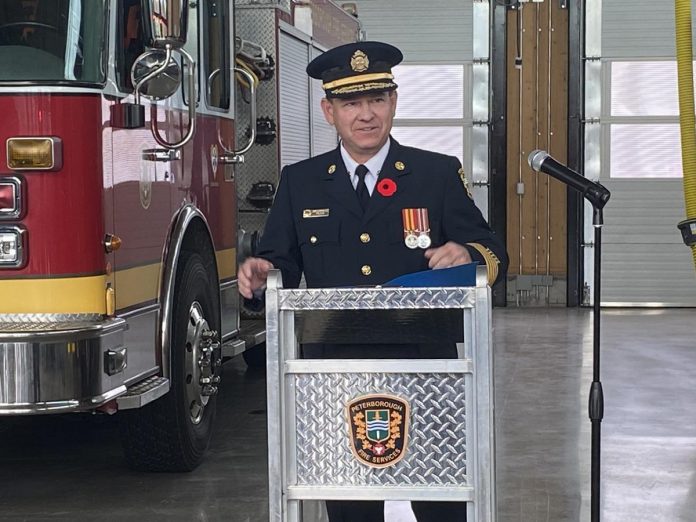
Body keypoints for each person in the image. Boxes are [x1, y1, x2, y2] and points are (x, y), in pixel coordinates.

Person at [239, 41, 508, 522]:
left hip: (428, 367)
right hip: (335, 370)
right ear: (329, 111)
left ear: (394, 103)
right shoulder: (300, 182)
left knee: (441, 501)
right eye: (351, 103)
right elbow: (282, 262)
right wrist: (263, 273)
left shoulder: (436, 174)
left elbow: (492, 252)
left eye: (377, 100)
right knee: (350, 506)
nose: (366, 115)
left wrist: (466, 252)